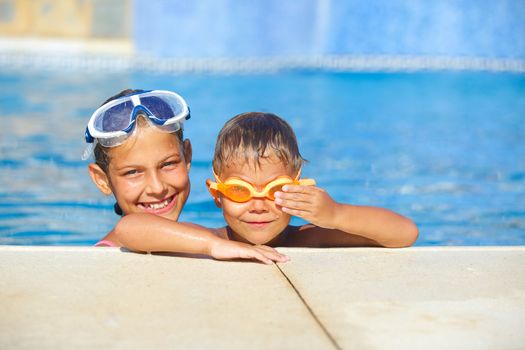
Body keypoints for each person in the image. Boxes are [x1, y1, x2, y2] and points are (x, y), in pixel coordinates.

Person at [114, 112, 418, 259]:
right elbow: (130, 229)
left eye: (275, 190)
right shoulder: (208, 239)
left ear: (298, 187)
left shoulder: (310, 238)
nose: (258, 205)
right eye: (239, 191)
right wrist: (214, 246)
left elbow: (405, 233)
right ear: (216, 195)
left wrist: (336, 213)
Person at [85, 90, 288, 264]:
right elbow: (128, 228)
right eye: (133, 172)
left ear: (187, 156)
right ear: (102, 180)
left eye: (168, 164)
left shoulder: (195, 239)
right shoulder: (105, 255)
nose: (157, 188)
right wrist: (212, 245)